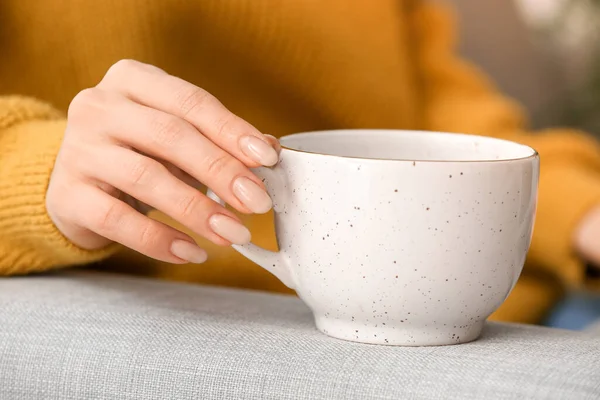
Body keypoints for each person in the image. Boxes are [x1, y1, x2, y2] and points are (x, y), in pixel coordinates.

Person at [1, 0, 599, 325]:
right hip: (210, 315)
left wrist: (582, 212)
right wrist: (42, 171)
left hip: (519, 303)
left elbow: (446, 114)